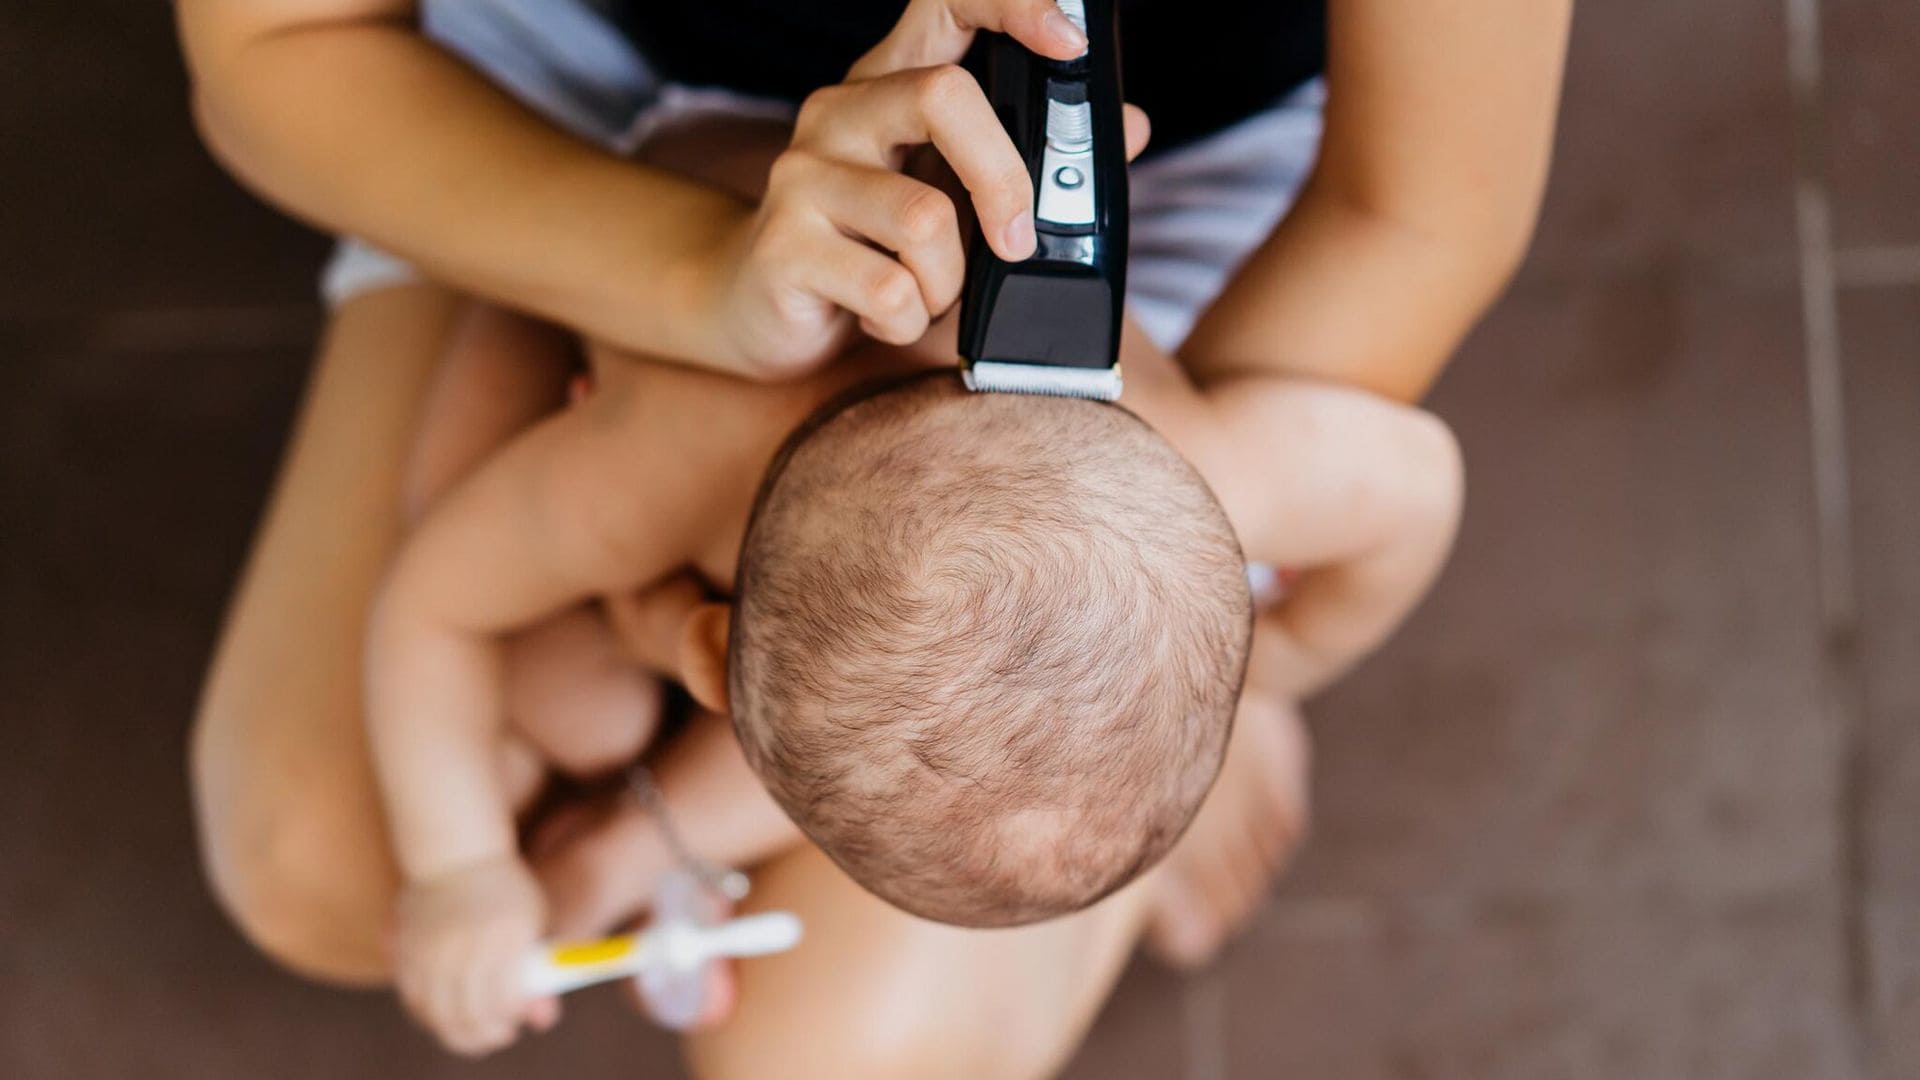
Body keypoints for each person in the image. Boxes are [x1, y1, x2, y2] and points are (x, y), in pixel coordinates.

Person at [180, 0, 1565, 1072]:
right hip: (625, 183)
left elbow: (1414, 429)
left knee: (846, 962)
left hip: (1168, 167)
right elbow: (438, 603)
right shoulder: (654, 462)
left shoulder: (1215, 466)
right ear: (711, 656)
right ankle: (624, 772)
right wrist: (461, 870)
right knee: (545, 714)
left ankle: (655, 816)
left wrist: (1233, 661)